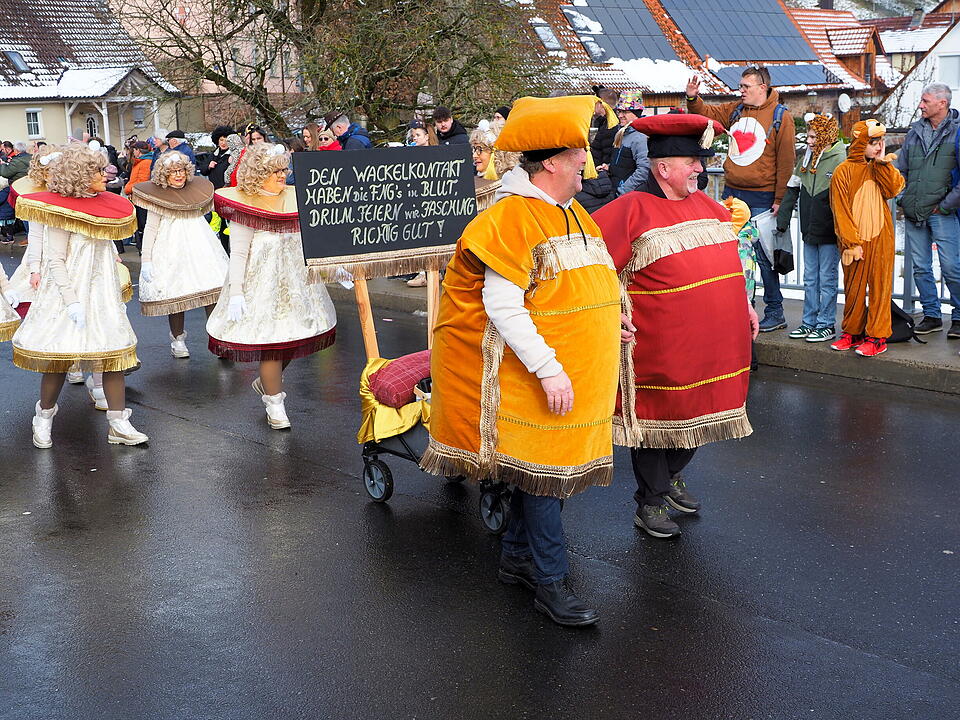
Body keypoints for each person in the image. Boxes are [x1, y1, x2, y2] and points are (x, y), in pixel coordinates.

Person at [421, 95, 634, 627]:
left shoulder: (574, 211)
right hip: (527, 374)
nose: (586, 158)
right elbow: (502, 303)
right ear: (551, 163)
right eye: (577, 151)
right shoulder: (511, 216)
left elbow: (590, 280)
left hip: (576, 370)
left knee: (540, 473)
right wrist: (547, 367)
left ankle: (517, 557)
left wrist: (615, 318)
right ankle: (550, 581)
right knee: (543, 476)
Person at [594, 113, 758, 539]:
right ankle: (649, 502)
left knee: (702, 410)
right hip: (657, 345)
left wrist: (746, 307)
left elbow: (730, 264)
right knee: (657, 417)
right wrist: (609, 312)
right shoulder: (629, 209)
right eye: (693, 163)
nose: (701, 170)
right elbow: (591, 271)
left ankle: (669, 481)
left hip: (713, 342)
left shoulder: (707, 205)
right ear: (664, 168)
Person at [12, 145, 147, 447]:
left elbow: (106, 241)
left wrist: (113, 259)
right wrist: (71, 301)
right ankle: (43, 416)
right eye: (98, 171)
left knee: (111, 355)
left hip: (101, 292)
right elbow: (56, 260)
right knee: (60, 357)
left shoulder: (106, 205)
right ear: (80, 175)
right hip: (68, 292)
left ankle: (118, 423)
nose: (105, 174)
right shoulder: (60, 209)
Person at [207, 144, 337, 429]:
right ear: (259, 173)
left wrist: (334, 267)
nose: (283, 175)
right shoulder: (245, 204)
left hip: (295, 285)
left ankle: (267, 380)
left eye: (284, 169)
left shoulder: (293, 197)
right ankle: (274, 403)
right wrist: (237, 293)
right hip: (261, 287)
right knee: (272, 346)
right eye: (276, 170)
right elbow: (239, 253)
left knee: (293, 337)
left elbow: (313, 240)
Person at [687, 65, 796, 333]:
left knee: (763, 257)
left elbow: (786, 162)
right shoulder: (736, 109)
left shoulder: (781, 117)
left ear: (762, 87)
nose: (741, 90)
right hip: (733, 194)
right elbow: (708, 115)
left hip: (762, 197)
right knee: (733, 257)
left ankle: (774, 310)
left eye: (746, 86)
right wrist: (693, 99)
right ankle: (741, 308)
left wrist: (780, 199)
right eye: (741, 85)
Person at [132, 151, 229, 358]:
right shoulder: (157, 196)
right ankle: (178, 339)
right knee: (177, 294)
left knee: (211, 289)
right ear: (164, 175)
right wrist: (147, 259)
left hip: (200, 247)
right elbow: (150, 228)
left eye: (181, 171)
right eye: (173, 172)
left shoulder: (195, 192)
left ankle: (217, 337)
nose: (178, 175)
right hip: (171, 250)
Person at [829, 120, 906, 357]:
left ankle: (877, 337)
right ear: (861, 142)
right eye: (873, 143)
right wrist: (851, 243)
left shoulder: (879, 166)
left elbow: (894, 189)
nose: (877, 147)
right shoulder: (843, 171)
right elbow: (840, 211)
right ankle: (852, 332)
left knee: (880, 289)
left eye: (880, 143)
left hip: (881, 239)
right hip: (855, 243)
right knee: (853, 290)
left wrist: (882, 163)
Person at [896, 82, 960, 338]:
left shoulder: (956, 132)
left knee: (952, 267)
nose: (920, 105)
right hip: (914, 212)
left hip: (943, 213)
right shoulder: (914, 133)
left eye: (925, 101)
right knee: (921, 267)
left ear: (942, 103)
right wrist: (903, 198)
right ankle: (932, 315)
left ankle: (958, 316)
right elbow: (899, 170)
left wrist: (945, 206)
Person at [777, 114, 847, 343]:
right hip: (809, 229)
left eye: (813, 136)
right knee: (810, 278)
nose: (808, 141)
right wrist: (783, 219)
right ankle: (809, 321)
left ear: (826, 136)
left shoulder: (840, 160)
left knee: (826, 278)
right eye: (808, 136)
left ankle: (826, 323)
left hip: (829, 231)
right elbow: (792, 188)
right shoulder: (805, 160)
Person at [608, 90, 650, 196]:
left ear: (636, 114)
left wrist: (623, 190)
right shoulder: (622, 133)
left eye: (625, 112)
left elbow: (644, 170)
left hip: (627, 195)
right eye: (619, 111)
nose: (620, 115)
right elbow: (624, 163)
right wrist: (609, 167)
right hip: (616, 190)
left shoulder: (640, 137)